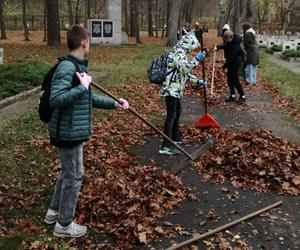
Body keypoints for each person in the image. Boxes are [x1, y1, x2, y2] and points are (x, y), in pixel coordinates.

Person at [44, 25, 129, 238]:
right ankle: (63, 225)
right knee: (75, 175)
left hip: (72, 129)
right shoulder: (67, 68)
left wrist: (114, 104)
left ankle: (53, 213)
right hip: (68, 131)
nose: (89, 44)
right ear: (84, 42)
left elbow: (87, 99)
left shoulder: (77, 66)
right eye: (89, 41)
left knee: (67, 173)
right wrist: (82, 87)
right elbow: (55, 99)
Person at [159, 32, 207, 156]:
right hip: (171, 89)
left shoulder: (182, 53)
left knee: (177, 112)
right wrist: (196, 59)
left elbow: (183, 73)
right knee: (171, 115)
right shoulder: (177, 53)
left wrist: (197, 80)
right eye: (192, 47)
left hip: (177, 89)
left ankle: (174, 137)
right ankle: (165, 145)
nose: (192, 50)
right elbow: (185, 68)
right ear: (187, 44)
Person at [215, 30, 246, 104]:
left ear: (229, 38)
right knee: (229, 80)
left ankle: (242, 96)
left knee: (235, 80)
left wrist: (223, 67)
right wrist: (218, 47)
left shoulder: (236, 46)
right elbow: (226, 45)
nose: (225, 41)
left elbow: (231, 59)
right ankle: (232, 96)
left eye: (225, 39)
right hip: (232, 63)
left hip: (236, 64)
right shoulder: (231, 41)